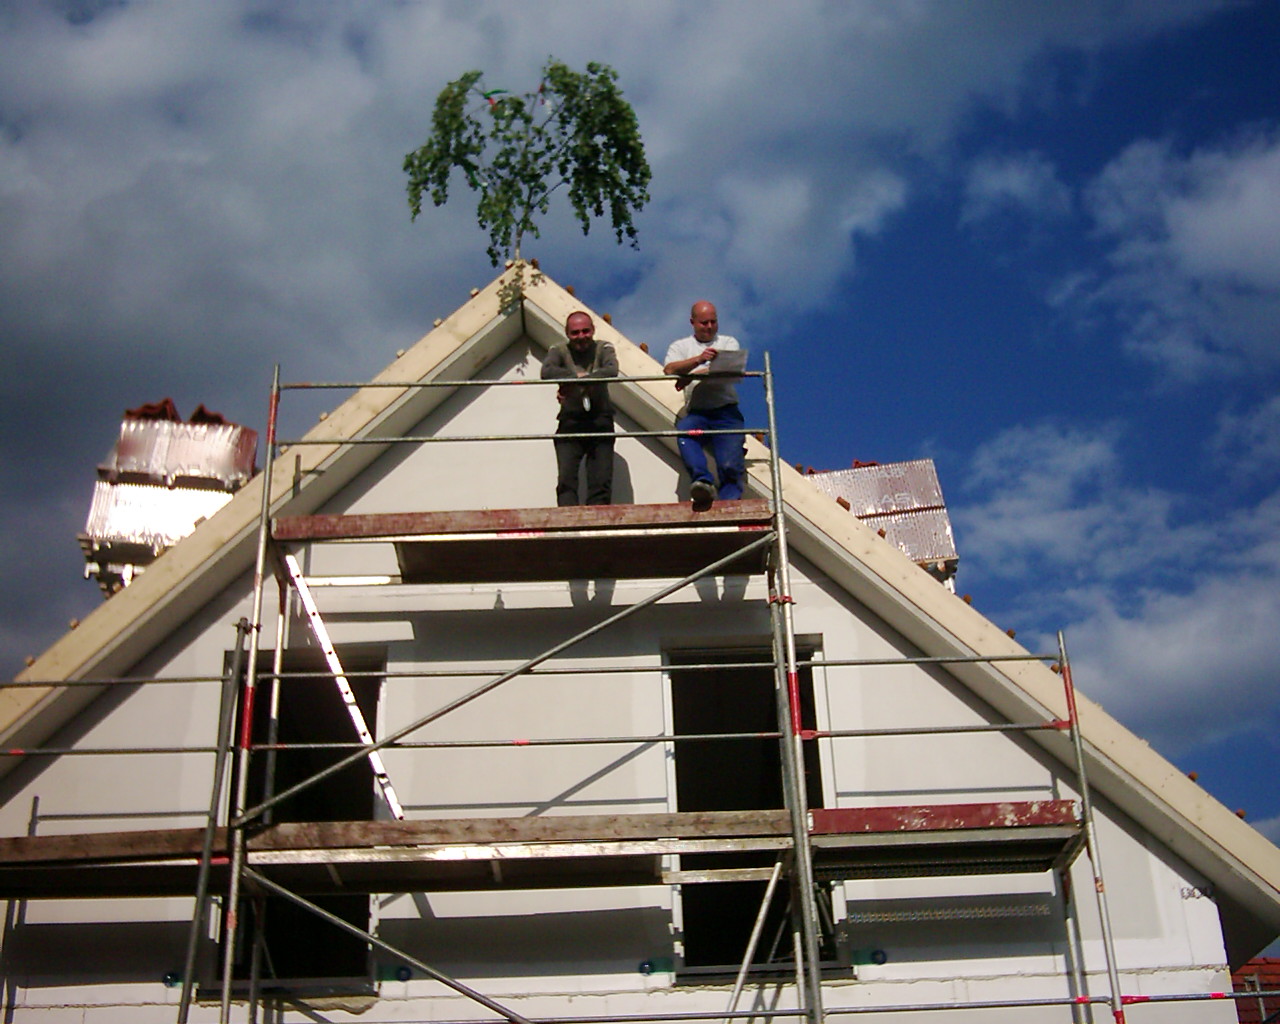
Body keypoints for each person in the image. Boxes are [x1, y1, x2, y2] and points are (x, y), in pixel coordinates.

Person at [663, 301, 745, 510]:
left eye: (713, 322)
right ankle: (703, 483)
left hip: (726, 412)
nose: (709, 327)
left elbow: (728, 369)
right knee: (686, 433)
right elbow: (670, 369)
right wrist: (698, 360)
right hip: (698, 413)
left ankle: (729, 503)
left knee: (729, 462)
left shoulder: (728, 342)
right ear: (692, 322)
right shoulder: (680, 346)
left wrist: (690, 376)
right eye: (704, 323)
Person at [541, 311, 618, 506]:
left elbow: (611, 369)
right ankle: (567, 520)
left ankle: (598, 521)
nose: (581, 336)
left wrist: (581, 380)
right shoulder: (558, 349)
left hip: (600, 419)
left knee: (601, 480)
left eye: (585, 331)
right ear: (567, 333)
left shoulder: (604, 347)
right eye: (575, 333)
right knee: (566, 480)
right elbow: (546, 371)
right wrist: (576, 378)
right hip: (570, 420)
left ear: (593, 330)